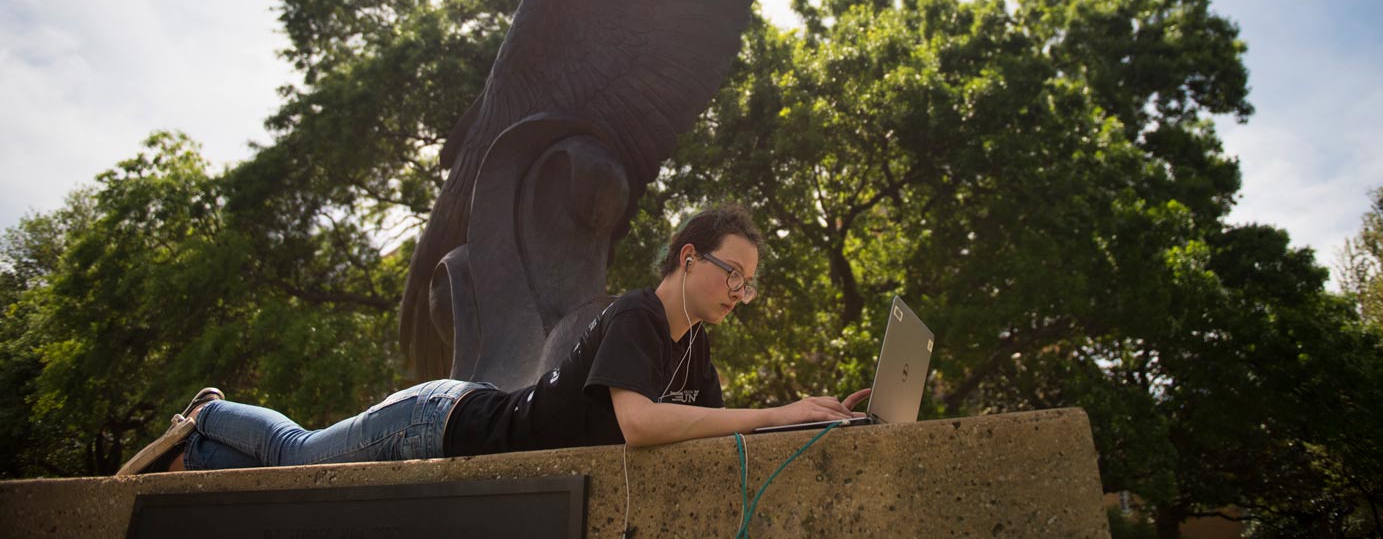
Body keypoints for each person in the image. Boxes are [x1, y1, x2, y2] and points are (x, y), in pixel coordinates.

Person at [118, 204, 868, 474]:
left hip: (465, 419)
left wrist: (818, 418)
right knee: (297, 454)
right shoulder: (636, 316)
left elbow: (709, 435)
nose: (740, 293)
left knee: (270, 478)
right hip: (438, 425)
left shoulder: (694, 351)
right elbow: (639, 425)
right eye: (732, 274)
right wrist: (775, 414)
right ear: (687, 259)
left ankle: (198, 453)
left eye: (748, 284)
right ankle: (211, 416)